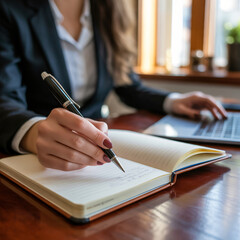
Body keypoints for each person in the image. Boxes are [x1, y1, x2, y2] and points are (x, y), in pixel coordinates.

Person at [0, 0, 227, 171]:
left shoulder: (109, 9)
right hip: (34, 158)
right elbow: (5, 98)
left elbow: (127, 84)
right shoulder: (9, 8)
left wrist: (172, 100)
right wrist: (33, 132)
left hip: (96, 149)